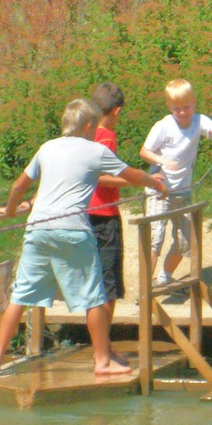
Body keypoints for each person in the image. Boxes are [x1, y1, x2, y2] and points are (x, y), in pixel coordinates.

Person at [0, 98, 169, 376]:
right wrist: (156, 183)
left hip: (38, 229)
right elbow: (133, 176)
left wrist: (11, 210)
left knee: (20, 296)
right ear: (88, 125)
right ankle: (102, 362)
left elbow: (19, 184)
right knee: (93, 297)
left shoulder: (47, 148)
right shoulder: (95, 151)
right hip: (73, 230)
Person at [139, 78, 212, 290]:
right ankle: (143, 290)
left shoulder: (199, 121)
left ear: (194, 103)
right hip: (159, 190)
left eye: (186, 107)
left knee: (185, 241)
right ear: (170, 107)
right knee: (155, 238)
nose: (182, 113)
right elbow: (144, 152)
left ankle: (164, 276)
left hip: (183, 190)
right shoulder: (163, 126)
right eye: (177, 109)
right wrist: (162, 162)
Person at [87, 83, 131, 306]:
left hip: (84, 214)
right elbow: (101, 175)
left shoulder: (84, 132)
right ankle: (103, 340)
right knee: (109, 285)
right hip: (105, 214)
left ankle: (97, 338)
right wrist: (133, 180)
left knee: (93, 281)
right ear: (116, 111)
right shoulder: (106, 136)